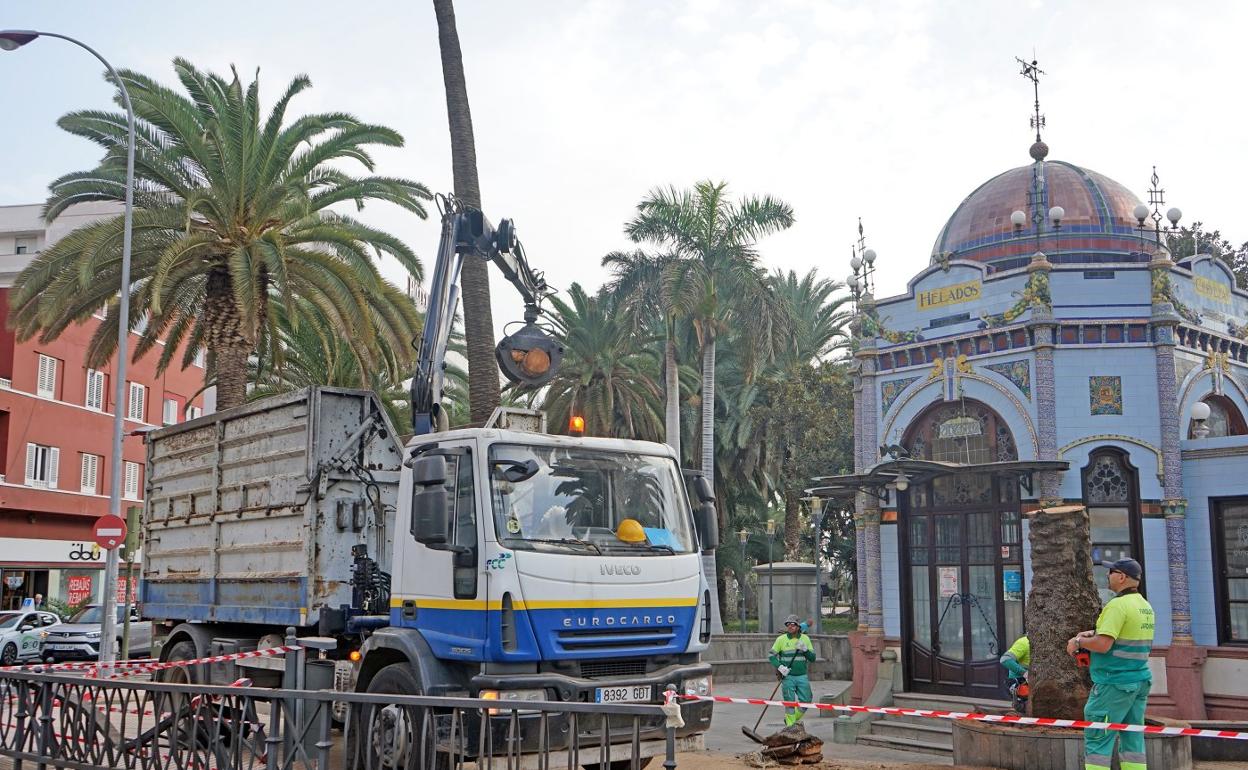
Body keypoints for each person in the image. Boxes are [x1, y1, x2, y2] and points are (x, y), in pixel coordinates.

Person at [1066, 558, 1154, 770]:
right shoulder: (1144, 605)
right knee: (1133, 741)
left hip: (1113, 682)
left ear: (1122, 577)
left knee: (1098, 740)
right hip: (1139, 680)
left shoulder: (1117, 605)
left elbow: (1104, 644)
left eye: (1111, 572)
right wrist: (1093, 634)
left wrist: (1078, 641)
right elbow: (1123, 636)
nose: (1107, 575)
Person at [768, 615, 816, 726]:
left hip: (802, 675)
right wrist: (780, 667)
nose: (790, 626)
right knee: (789, 703)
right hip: (787, 676)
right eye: (788, 624)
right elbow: (771, 655)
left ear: (798, 626)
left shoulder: (805, 639)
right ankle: (791, 727)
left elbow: (812, 658)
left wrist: (805, 650)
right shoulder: (781, 639)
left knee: (807, 700)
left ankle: (791, 719)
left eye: (793, 624)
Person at [1000, 635, 1030, 712]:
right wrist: (1025, 673)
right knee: (1023, 711)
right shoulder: (1024, 643)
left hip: (1031, 687)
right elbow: (1005, 659)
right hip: (1020, 686)